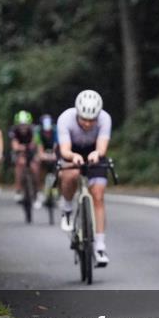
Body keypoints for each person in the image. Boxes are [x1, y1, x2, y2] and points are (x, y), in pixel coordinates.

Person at [56, 90, 112, 267]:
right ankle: (66, 209)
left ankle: (100, 247)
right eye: (83, 119)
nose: (88, 123)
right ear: (77, 113)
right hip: (71, 150)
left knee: (98, 194)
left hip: (94, 151)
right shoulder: (65, 118)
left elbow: (102, 147)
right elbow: (64, 149)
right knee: (70, 174)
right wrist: (73, 157)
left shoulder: (105, 118)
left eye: (92, 120)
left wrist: (97, 153)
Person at [9, 110, 39, 204]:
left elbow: (35, 143)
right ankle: (18, 189)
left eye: (25, 125)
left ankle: (36, 192)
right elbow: (14, 145)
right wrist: (20, 148)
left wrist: (29, 147)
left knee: (35, 168)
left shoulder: (34, 129)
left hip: (31, 151)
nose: (23, 127)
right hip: (19, 152)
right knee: (19, 165)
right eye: (20, 125)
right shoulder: (14, 130)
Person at [34, 114, 59, 209]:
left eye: (49, 132)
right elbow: (39, 147)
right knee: (37, 167)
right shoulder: (37, 132)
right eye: (45, 132)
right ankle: (39, 193)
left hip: (54, 152)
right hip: (42, 152)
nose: (47, 133)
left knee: (61, 168)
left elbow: (57, 146)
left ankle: (57, 193)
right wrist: (42, 155)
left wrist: (55, 155)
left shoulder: (56, 130)